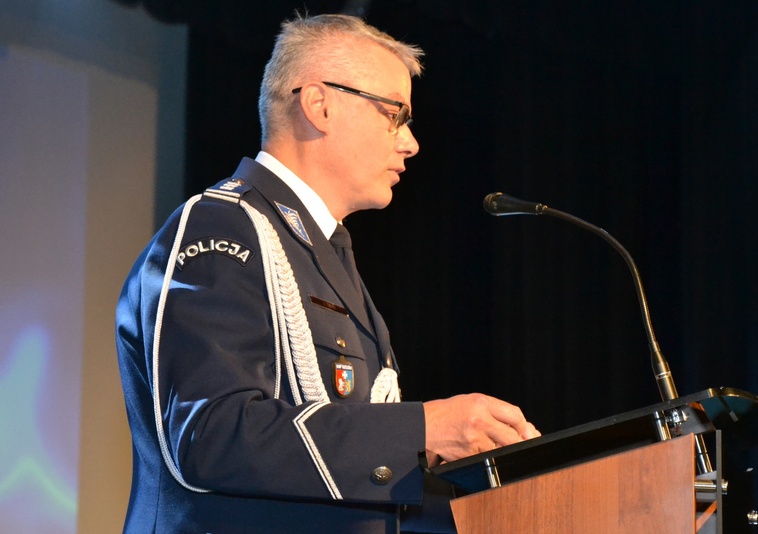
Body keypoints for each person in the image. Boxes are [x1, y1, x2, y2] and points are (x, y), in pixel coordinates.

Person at [116, 13, 539, 533]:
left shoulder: (327, 252)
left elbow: (344, 484)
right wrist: (421, 429)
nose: (410, 142)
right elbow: (211, 436)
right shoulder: (222, 225)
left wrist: (510, 498)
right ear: (320, 105)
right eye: (395, 114)